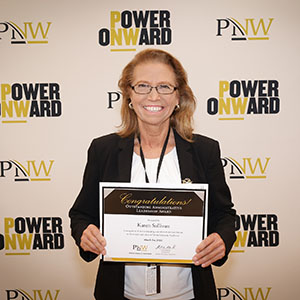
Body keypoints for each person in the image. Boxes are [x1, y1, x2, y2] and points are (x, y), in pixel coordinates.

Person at [69, 49, 236, 300]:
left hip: (190, 294)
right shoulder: (103, 150)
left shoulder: (204, 150)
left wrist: (222, 239)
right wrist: (85, 233)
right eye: (143, 86)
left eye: (165, 87)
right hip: (120, 294)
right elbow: (81, 214)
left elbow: (224, 215)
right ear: (129, 94)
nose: (154, 95)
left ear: (179, 95)